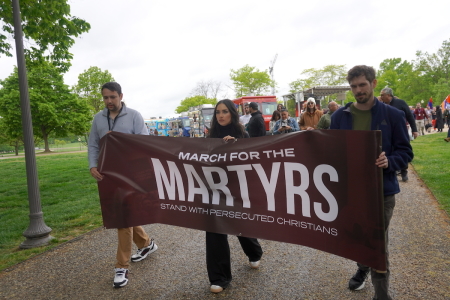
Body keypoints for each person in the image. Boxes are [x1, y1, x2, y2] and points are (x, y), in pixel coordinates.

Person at [331, 65, 413, 300]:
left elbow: (405, 152)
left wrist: (390, 161)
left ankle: (382, 294)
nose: (358, 90)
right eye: (354, 86)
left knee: (377, 243)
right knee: (358, 237)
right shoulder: (339, 117)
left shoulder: (393, 115)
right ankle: (363, 266)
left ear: (373, 83)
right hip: (352, 193)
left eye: (362, 85)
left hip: (382, 192)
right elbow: (332, 153)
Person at [88, 82, 158, 288]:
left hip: (130, 174)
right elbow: (93, 143)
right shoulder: (98, 119)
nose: (109, 101)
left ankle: (121, 266)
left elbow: (144, 143)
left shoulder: (134, 116)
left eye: (112, 97)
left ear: (120, 96)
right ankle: (146, 244)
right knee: (124, 214)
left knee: (122, 218)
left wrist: (119, 138)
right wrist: (93, 165)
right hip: (108, 175)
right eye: (105, 98)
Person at [206, 99, 263, 293]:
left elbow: (251, 157)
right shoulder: (210, 134)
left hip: (237, 188)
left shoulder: (242, 133)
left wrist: (236, 145)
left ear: (232, 113)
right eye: (217, 112)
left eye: (224, 111)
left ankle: (254, 251)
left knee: (240, 224)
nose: (220, 115)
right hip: (214, 188)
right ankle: (219, 277)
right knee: (214, 229)